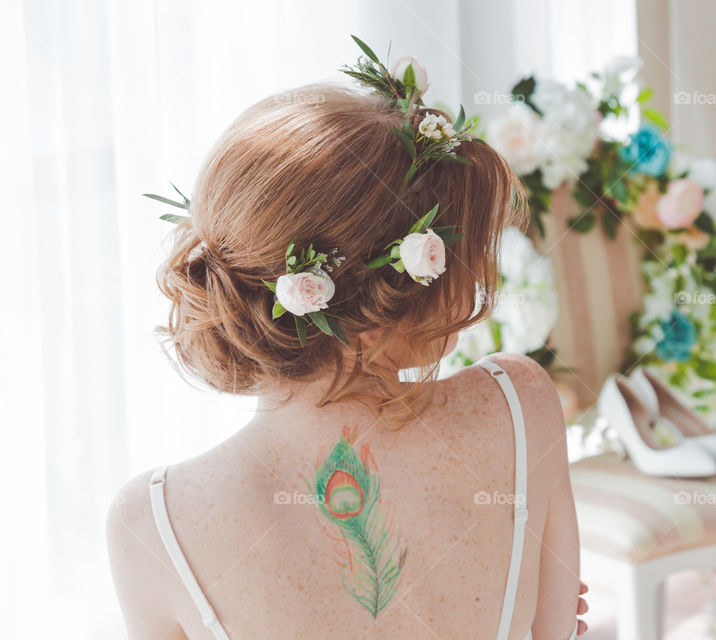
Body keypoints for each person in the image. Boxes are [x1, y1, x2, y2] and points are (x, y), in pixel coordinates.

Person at [107, 39, 586, 640]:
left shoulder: (152, 526)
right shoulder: (521, 407)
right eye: (453, 261)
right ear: (389, 306)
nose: (470, 283)